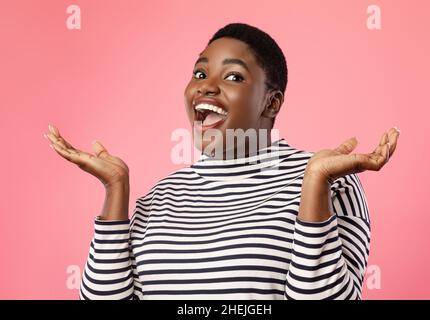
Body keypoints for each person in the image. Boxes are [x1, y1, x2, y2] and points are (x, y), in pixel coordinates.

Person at [44, 22, 400, 300]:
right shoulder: (157, 199)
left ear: (271, 103)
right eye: (200, 74)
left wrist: (314, 185)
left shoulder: (329, 181)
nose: (206, 87)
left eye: (233, 77)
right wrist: (115, 191)